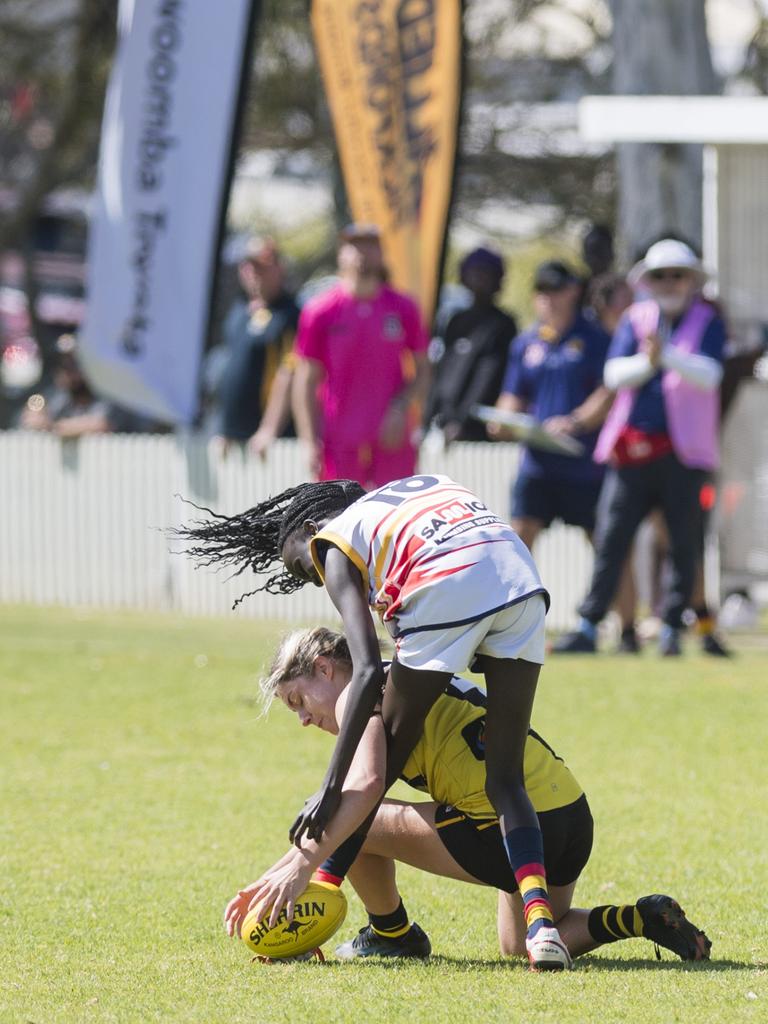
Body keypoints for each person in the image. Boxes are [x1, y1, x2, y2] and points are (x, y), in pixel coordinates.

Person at [176, 474, 570, 969]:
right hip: (520, 577)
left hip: (450, 581)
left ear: (313, 528)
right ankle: (540, 926)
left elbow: (365, 670)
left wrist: (328, 786)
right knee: (505, 777)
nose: (318, 577)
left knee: (374, 775)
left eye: (304, 565)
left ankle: (322, 897)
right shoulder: (403, 503)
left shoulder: (333, 541)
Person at [224, 627, 711, 965]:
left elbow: (363, 793)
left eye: (298, 702)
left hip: (502, 829)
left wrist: (306, 879)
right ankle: (637, 917)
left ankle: (393, 935)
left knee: (352, 815)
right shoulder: (408, 673)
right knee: (519, 944)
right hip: (569, 815)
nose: (305, 720)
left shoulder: (361, 691)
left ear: (326, 669)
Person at [553, 239, 727, 657]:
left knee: (685, 543)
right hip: (631, 450)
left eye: (677, 275)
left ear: (691, 281)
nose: (669, 283)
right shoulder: (636, 318)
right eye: (661, 276)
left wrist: (665, 357)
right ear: (648, 281)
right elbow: (614, 374)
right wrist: (649, 362)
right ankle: (590, 625)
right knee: (612, 538)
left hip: (683, 454)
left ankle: (672, 627)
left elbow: (709, 375)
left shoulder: (708, 321)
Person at [291, 224, 430, 489]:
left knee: (394, 519)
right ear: (341, 254)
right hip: (339, 440)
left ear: (381, 254)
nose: (362, 254)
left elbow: (423, 370)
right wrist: (308, 441)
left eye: (370, 246)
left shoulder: (402, 308)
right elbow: (305, 380)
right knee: (341, 521)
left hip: (391, 437)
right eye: (354, 247)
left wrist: (401, 407)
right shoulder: (320, 311)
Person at [489, 260, 614, 553]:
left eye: (556, 290)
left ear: (573, 292)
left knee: (606, 547)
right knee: (518, 539)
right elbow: (513, 393)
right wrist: (502, 419)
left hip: (585, 463)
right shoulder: (526, 342)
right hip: (537, 463)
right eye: (542, 291)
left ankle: (620, 602)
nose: (549, 299)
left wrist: (575, 421)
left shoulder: (596, 337)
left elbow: (609, 391)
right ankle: (521, 601)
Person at [213, 238, 299, 456]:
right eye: (247, 266)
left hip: (271, 444)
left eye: (260, 267)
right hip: (235, 441)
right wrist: (224, 427)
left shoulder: (289, 314)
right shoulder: (238, 310)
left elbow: (288, 374)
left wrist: (269, 429)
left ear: (279, 269)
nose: (252, 273)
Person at [423, 246, 517, 445]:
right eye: (474, 271)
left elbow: (488, 376)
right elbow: (442, 370)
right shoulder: (455, 320)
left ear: (497, 279)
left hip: (474, 430)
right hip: (443, 423)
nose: (479, 278)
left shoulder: (502, 324)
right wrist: (428, 414)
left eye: (486, 273)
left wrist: (461, 422)